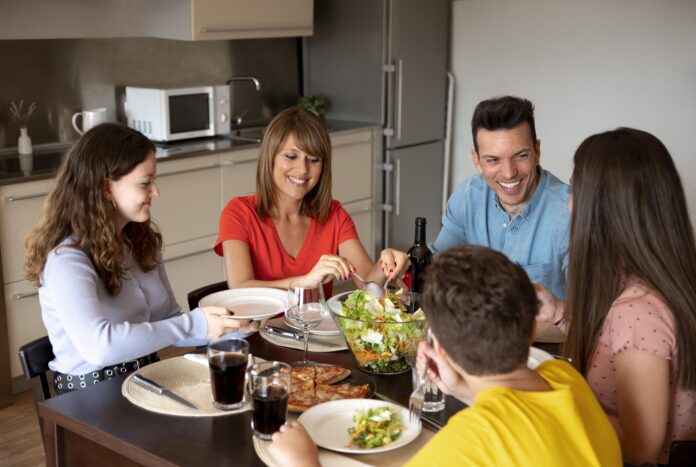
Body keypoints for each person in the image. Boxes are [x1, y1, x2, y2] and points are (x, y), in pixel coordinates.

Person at [268, 245, 622, 466]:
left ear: (436, 344)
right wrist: (463, 390)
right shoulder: (567, 379)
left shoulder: (472, 439)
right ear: (531, 330)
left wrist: (302, 462)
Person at [24, 123, 245, 395]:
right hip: (88, 399)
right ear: (106, 188)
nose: (156, 192)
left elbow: (168, 321)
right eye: (145, 183)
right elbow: (100, 347)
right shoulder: (66, 259)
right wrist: (196, 323)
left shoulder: (140, 241)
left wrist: (237, 328)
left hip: (147, 378)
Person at [536, 128, 696, 465]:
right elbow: (615, 345)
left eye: (576, 192)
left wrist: (546, 399)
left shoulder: (638, 311)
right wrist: (559, 313)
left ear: (604, 210)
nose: (568, 207)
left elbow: (639, 452)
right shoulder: (650, 280)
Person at [215, 107, 408, 294]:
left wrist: (386, 263)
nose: (303, 169)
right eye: (291, 156)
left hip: (315, 327)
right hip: (256, 327)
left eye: (314, 160)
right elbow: (240, 287)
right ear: (270, 157)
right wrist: (305, 282)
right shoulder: (239, 212)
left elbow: (368, 286)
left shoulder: (334, 215)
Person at [433, 96, 570, 299]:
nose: (508, 173)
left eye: (520, 156)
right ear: (477, 161)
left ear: (537, 151)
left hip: (544, 332)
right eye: (493, 160)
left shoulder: (570, 212)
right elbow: (437, 270)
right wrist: (406, 268)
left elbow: (591, 315)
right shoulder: (468, 196)